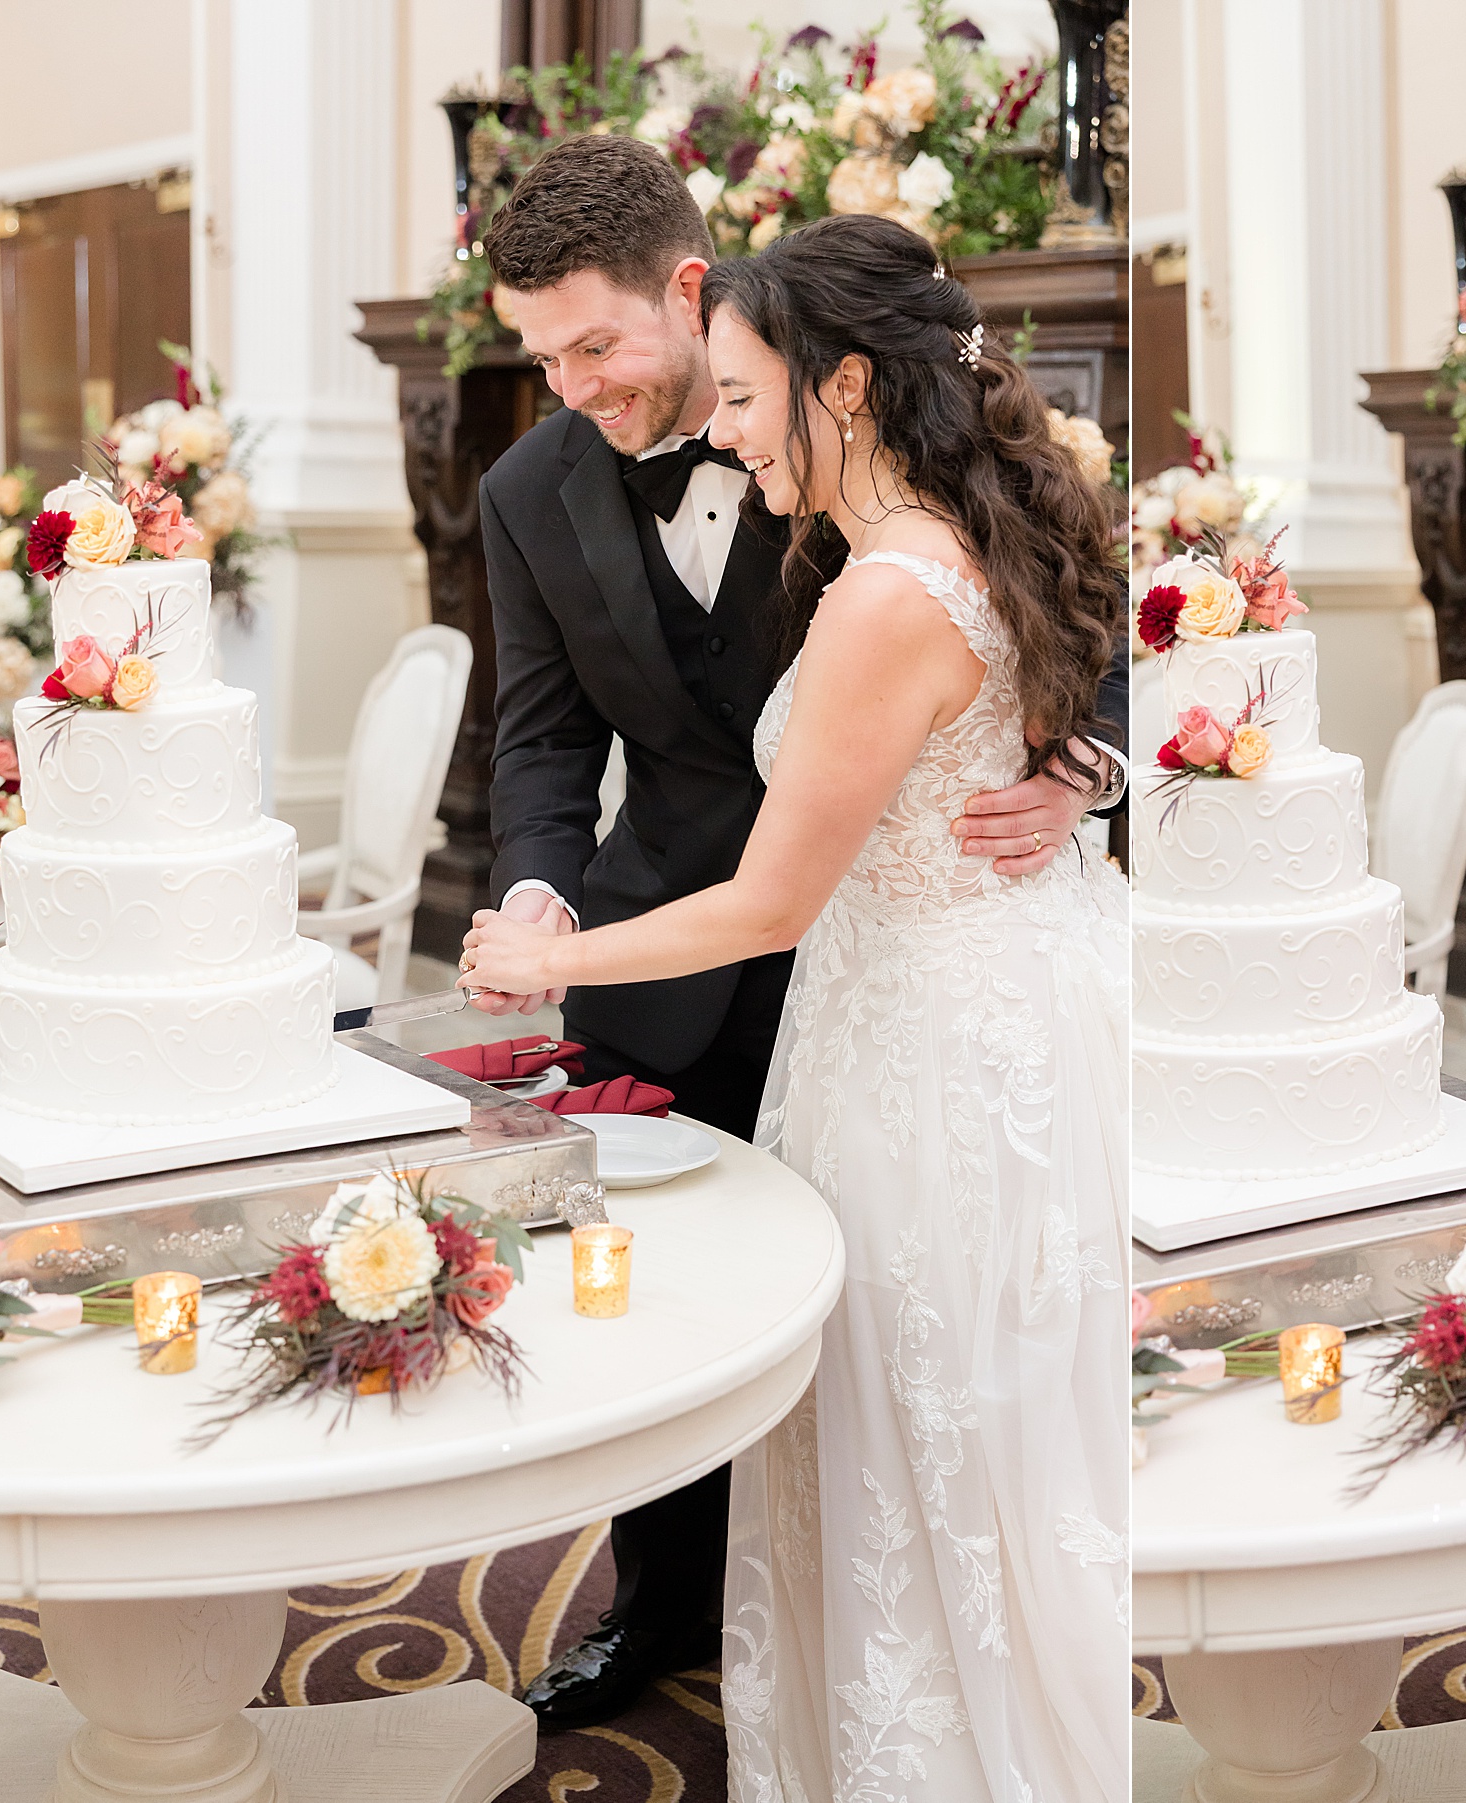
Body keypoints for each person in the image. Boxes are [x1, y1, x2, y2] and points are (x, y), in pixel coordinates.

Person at [462, 212, 1129, 1801]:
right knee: (804, 1371)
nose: (571, 387)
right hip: (854, 986)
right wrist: (546, 895)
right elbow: (543, 740)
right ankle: (672, 1619)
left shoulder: (869, 549)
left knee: (935, 1393)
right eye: (539, 356)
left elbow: (1082, 665)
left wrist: (1086, 770)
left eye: (596, 347)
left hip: (901, 995)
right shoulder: (547, 493)